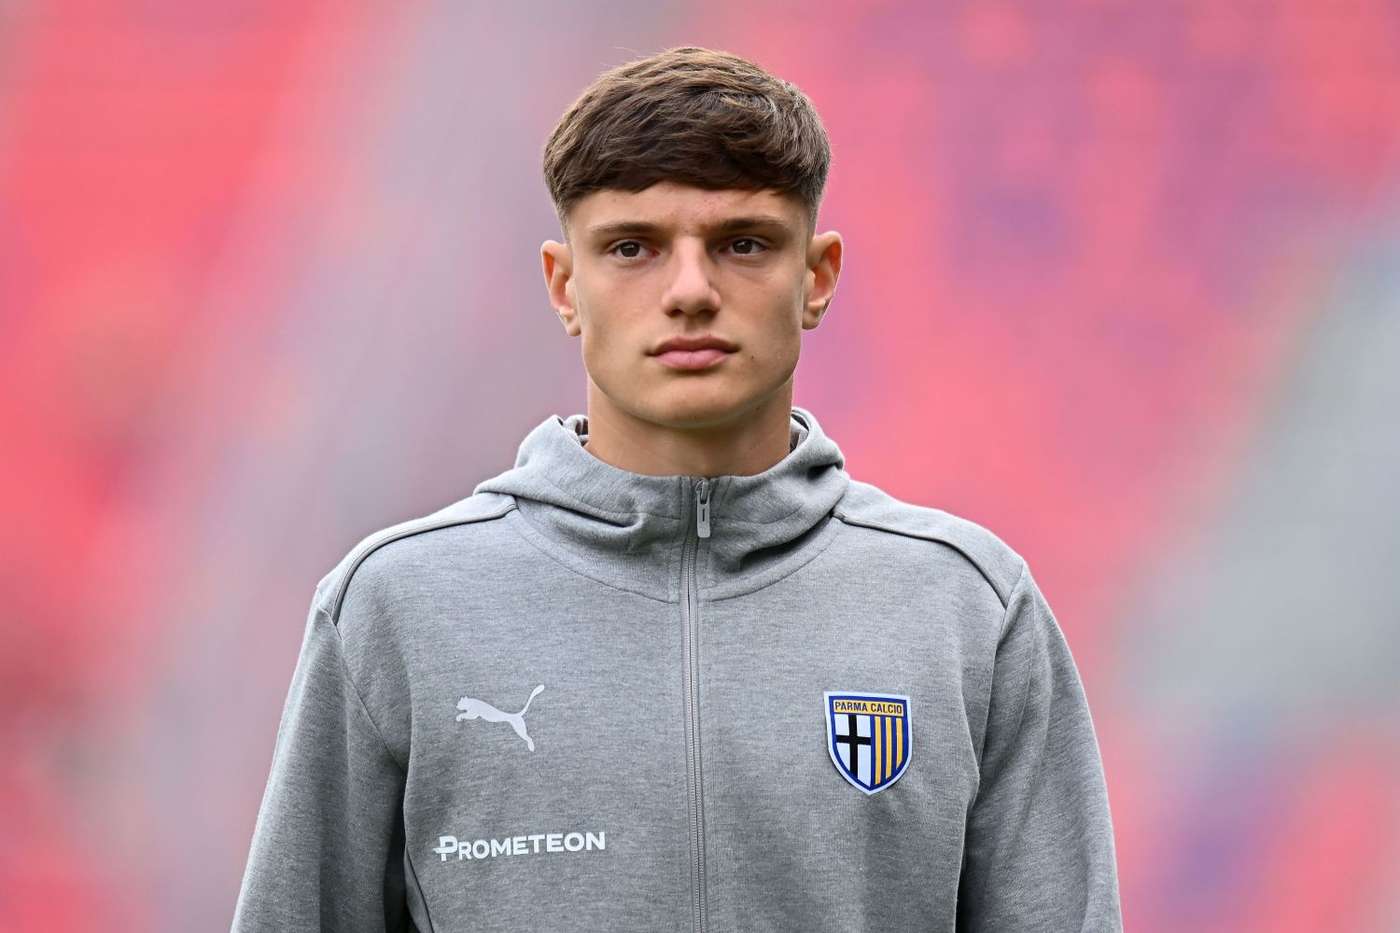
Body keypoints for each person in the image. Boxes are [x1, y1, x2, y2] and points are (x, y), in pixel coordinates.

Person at [232, 45, 1122, 933]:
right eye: (633, 247)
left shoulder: (967, 607)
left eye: (743, 243)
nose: (690, 291)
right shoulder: (396, 607)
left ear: (815, 278)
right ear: (565, 285)